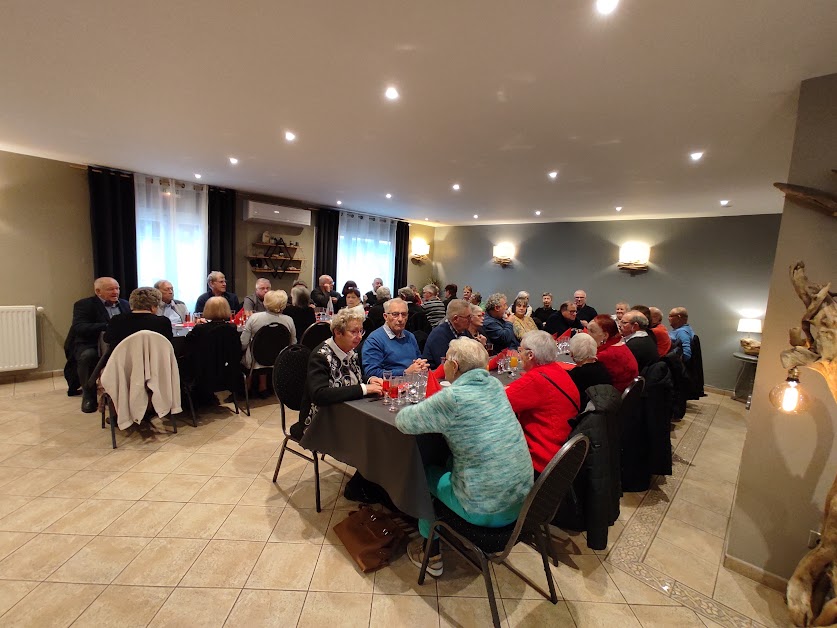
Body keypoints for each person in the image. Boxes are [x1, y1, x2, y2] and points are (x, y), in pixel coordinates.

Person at [396, 338, 533, 576]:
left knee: (424, 471)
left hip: (485, 509)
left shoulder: (453, 398)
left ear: (454, 365)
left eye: (446, 360)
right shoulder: (496, 387)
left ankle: (431, 553)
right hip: (523, 502)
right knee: (449, 461)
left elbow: (403, 422)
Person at [506, 331, 581, 474]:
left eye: (520, 351)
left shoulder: (535, 380)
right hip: (562, 451)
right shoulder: (557, 370)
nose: (518, 354)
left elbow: (497, 403)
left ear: (530, 355)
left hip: (541, 459)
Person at [69, 277, 130, 412]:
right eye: (111, 289)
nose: (116, 292)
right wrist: (108, 326)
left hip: (119, 344)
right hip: (92, 343)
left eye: (117, 288)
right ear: (98, 291)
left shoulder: (125, 304)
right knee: (87, 356)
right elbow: (79, 327)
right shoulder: (84, 305)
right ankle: (89, 394)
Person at [182, 296, 241, 404]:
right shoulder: (232, 328)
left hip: (203, 370)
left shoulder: (200, 329)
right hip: (228, 370)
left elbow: (188, 346)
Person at [361, 298, 428, 379]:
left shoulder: (410, 336)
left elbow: (418, 359)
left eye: (403, 314)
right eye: (395, 314)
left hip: (413, 383)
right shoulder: (374, 340)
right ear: (385, 317)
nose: (400, 319)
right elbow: (371, 373)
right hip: (390, 387)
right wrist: (405, 372)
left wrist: (421, 365)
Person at [240, 289, 297, 369]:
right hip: (280, 361)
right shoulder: (289, 320)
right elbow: (293, 343)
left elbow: (243, 343)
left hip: (255, 362)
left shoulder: (254, 318)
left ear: (265, 303)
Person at [104, 287, 173, 349]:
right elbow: (167, 343)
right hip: (153, 360)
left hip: (124, 361)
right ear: (154, 305)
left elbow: (107, 339)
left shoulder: (117, 320)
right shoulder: (163, 322)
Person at [588, 314, 638, 393]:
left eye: (592, 331)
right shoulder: (619, 344)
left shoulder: (606, 354)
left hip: (613, 396)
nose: (588, 334)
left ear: (605, 335)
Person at [422, 299, 473, 368]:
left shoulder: (464, 331)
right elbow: (447, 365)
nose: (471, 320)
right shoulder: (438, 336)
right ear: (455, 319)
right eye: (468, 317)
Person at [568, 332, 612, 408]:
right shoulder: (601, 366)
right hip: (604, 408)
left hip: (585, 411)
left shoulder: (577, 374)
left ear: (572, 354)